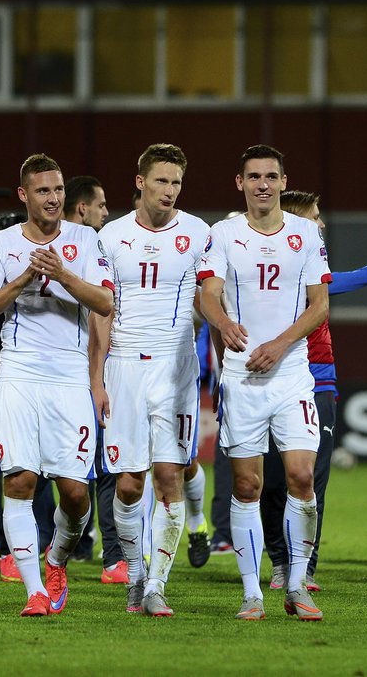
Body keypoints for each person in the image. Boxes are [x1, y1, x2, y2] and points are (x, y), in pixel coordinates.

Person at [0, 154, 113, 617]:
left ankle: (56, 560)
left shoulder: (86, 239)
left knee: (75, 493)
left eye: (57, 191)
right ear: (24, 196)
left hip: (70, 375)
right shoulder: (1, 243)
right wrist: (25, 278)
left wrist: (62, 274)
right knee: (21, 479)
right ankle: (35, 591)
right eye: (43, 191)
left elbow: (106, 303)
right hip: (18, 372)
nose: (53, 199)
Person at [198, 145, 329, 621]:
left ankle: (296, 586)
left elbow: (320, 305)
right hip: (242, 378)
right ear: (240, 183)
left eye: (271, 176)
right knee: (248, 485)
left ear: (282, 179)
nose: (262, 184)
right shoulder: (223, 234)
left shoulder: (306, 235)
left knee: (300, 477)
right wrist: (224, 322)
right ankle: (253, 592)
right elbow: (208, 295)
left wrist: (279, 343)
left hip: (291, 374)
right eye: (253, 176)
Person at [90, 144, 209, 616]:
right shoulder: (111, 236)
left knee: (168, 476)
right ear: (139, 181)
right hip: (123, 367)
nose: (169, 190)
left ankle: (157, 583)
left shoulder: (199, 233)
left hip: (175, 368)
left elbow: (210, 297)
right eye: (161, 181)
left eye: (176, 182)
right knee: (128, 486)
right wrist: (96, 378)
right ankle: (135, 576)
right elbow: (100, 312)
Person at [262, 190, 367, 592]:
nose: (322, 224)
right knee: (269, 482)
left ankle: (304, 567)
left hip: (318, 382)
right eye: (316, 217)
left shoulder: (316, 272)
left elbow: (356, 278)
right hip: (268, 382)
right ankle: (278, 560)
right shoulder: (266, 273)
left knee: (311, 480)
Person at [62, 174, 125, 581]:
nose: (107, 212)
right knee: (53, 468)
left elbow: (104, 313)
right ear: (83, 207)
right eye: (101, 205)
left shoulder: (100, 248)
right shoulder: (60, 247)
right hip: (57, 376)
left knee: (107, 463)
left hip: (95, 374)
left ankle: (114, 554)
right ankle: (55, 550)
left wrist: (99, 379)